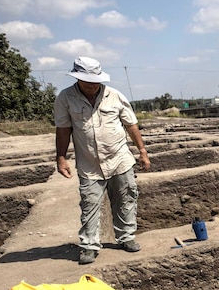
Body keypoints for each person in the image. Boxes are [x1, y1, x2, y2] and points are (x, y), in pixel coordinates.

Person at [54, 56, 151, 265]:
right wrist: (61, 158)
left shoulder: (114, 96)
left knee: (126, 198)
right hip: (90, 163)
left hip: (119, 159)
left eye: (95, 81)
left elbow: (131, 125)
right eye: (87, 81)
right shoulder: (65, 98)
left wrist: (142, 151)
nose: (91, 85)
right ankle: (89, 245)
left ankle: (126, 237)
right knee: (90, 204)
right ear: (77, 78)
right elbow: (63, 130)